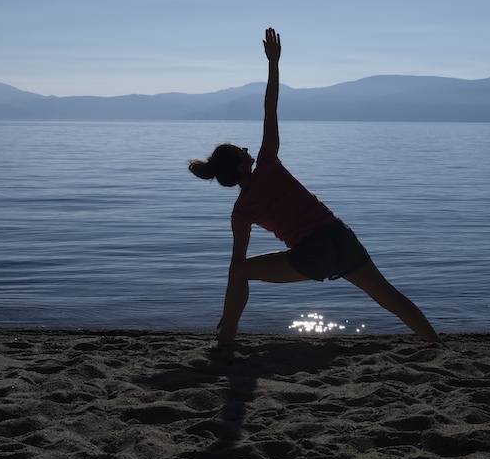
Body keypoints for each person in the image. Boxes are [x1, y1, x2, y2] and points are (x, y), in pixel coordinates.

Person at [189, 28, 442, 344]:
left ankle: (225, 345)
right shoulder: (268, 162)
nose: (246, 149)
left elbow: (237, 264)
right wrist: (274, 62)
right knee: (388, 295)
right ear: (241, 164)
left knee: (240, 272)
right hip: (340, 237)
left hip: (313, 254)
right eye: (241, 150)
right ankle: (436, 345)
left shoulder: (242, 212)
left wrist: (231, 308)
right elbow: (270, 108)